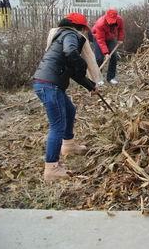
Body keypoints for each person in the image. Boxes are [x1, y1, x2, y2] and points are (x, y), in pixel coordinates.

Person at [33, 13, 102, 182]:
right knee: (57, 125)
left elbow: (74, 72)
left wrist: (90, 86)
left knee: (70, 110)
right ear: (80, 28)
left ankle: (69, 146)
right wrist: (83, 64)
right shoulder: (70, 35)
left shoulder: (61, 36)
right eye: (84, 29)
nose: (84, 33)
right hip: (50, 85)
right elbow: (71, 52)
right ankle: (51, 168)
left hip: (47, 82)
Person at [92, 8, 125, 85]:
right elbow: (101, 40)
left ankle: (111, 77)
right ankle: (98, 78)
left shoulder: (119, 20)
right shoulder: (100, 23)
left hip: (110, 38)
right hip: (98, 37)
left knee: (114, 56)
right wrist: (106, 53)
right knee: (99, 58)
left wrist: (120, 39)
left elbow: (121, 29)